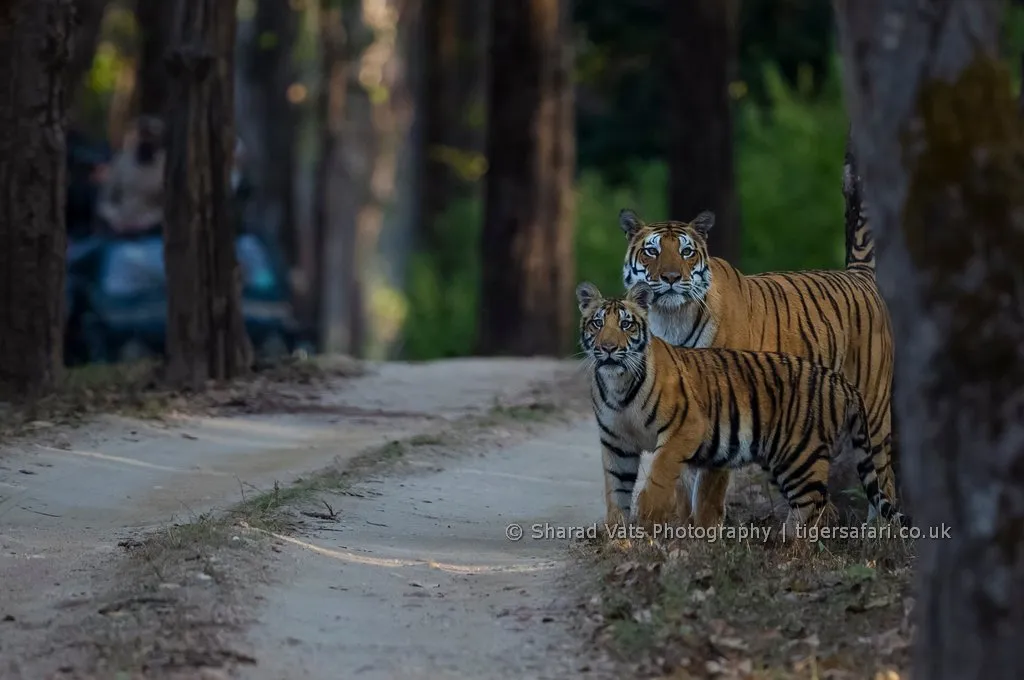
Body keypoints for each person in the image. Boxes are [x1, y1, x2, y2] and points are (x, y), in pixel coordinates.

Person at [95, 116, 166, 237]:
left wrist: (148, 221)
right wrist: (116, 218)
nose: (146, 140)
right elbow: (105, 201)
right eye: (144, 135)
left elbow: (169, 206)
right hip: (120, 229)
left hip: (153, 232)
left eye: (150, 136)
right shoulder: (122, 161)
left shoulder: (165, 164)